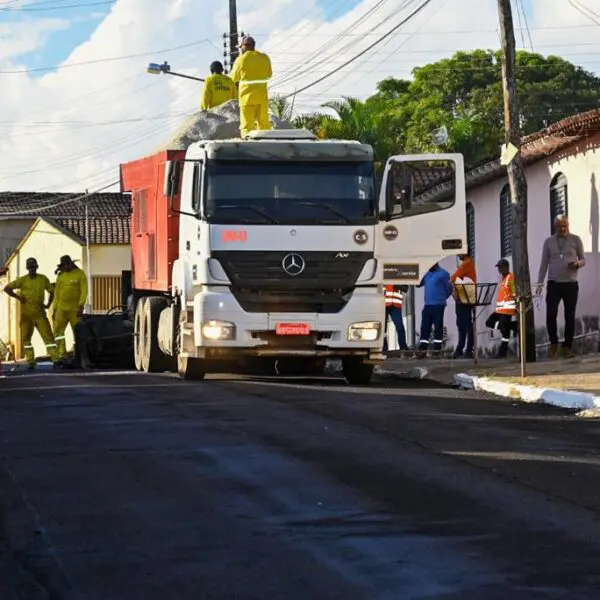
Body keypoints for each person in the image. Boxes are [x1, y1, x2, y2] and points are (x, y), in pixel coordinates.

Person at [536, 215, 585, 359]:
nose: (563, 229)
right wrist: (540, 283)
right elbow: (544, 264)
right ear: (555, 226)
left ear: (568, 225)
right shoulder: (548, 242)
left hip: (570, 284)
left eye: (565, 226)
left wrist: (577, 264)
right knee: (551, 314)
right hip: (554, 284)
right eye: (560, 226)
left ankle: (568, 347)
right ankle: (553, 343)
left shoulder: (576, 240)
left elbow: (583, 259)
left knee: (569, 316)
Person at [3, 257, 57, 370]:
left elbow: (52, 291)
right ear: (27, 268)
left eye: (34, 267)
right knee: (26, 339)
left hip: (40, 314)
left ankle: (55, 359)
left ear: (36, 267)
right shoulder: (22, 280)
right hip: (26, 315)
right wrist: (18, 298)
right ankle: (31, 362)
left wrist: (47, 304)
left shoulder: (43, 279)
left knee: (48, 338)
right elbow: (7, 288)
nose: (32, 269)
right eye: (30, 267)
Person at [230, 36, 273, 138]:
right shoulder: (265, 58)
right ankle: (266, 146)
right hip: (262, 98)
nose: (241, 49)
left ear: (245, 46)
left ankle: (247, 148)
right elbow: (269, 75)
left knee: (247, 127)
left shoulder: (240, 60)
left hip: (247, 99)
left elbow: (234, 78)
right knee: (264, 126)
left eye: (241, 47)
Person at [52, 255, 88, 365]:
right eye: (63, 266)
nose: (65, 267)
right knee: (58, 332)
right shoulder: (61, 275)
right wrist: (54, 309)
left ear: (70, 263)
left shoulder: (80, 274)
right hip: (61, 310)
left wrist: (81, 305)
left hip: (74, 310)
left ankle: (79, 355)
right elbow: (57, 294)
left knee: (78, 333)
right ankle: (61, 355)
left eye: (66, 265)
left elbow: (84, 290)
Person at [416, 263, 452, 356]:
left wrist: (442, 298)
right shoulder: (426, 274)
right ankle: (423, 348)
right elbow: (418, 284)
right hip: (427, 304)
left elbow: (449, 289)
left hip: (439, 305)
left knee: (438, 326)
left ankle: (437, 349)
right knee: (425, 327)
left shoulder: (444, 274)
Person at [486, 259, 518, 358]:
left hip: (507, 310)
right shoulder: (503, 279)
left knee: (505, 332)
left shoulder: (510, 277)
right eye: (498, 267)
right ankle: (514, 326)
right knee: (489, 322)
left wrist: (517, 305)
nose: (499, 269)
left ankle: (502, 352)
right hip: (500, 310)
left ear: (506, 267)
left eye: (500, 267)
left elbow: (514, 292)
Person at [450, 250, 477, 359]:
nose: (457, 254)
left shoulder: (466, 264)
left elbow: (453, 277)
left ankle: (466, 349)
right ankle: (462, 349)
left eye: (459, 252)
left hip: (465, 296)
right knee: (462, 323)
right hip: (464, 296)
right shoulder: (467, 263)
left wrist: (451, 280)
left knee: (465, 323)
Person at [383, 285, 408, 354]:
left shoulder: (398, 275)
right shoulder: (382, 274)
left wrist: (398, 286)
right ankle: (383, 348)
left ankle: (403, 348)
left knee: (400, 327)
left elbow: (406, 288)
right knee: (382, 329)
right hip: (383, 303)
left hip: (395, 305)